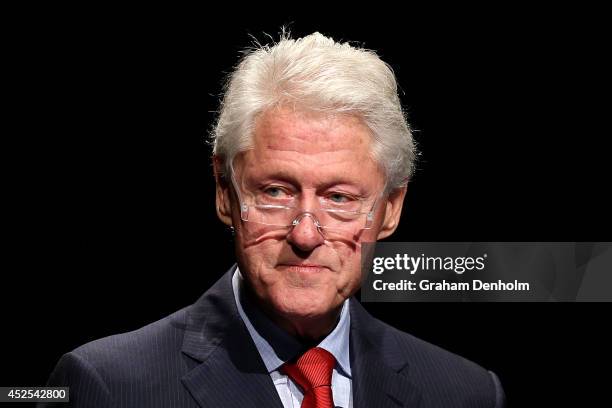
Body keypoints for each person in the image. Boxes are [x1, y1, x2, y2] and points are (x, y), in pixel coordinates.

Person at [41, 32, 505, 408]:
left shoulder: (466, 393)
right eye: (276, 192)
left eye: (339, 197)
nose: (305, 235)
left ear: (391, 209)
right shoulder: (106, 387)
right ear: (225, 192)